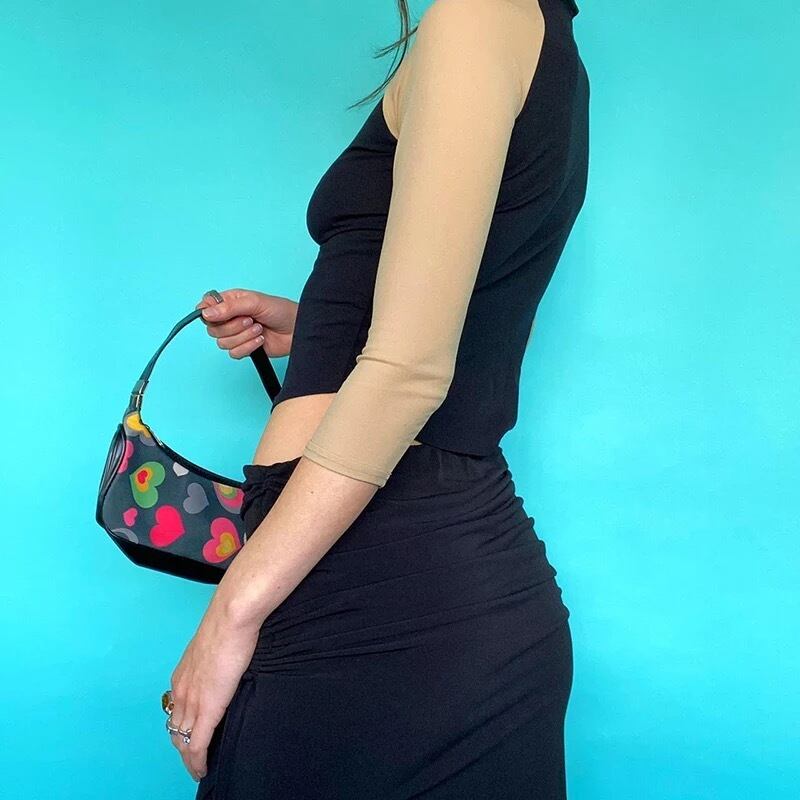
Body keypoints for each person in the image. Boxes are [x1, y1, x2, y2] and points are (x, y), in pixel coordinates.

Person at [166, 0, 588, 796]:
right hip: (432, 578)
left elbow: (409, 371)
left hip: (384, 587)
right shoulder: (544, 34)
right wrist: (317, 324)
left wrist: (231, 613)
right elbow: (480, 301)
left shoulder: (478, 16)